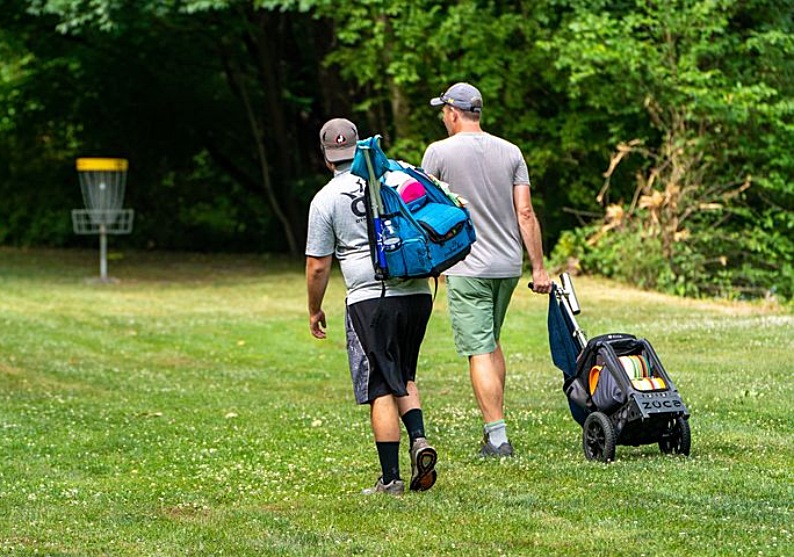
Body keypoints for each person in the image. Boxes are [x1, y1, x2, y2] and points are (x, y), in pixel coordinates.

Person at [306, 117, 438, 495]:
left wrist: (314, 309)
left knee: (380, 384)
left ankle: (391, 479)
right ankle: (418, 438)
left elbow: (318, 265)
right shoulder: (392, 177)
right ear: (360, 147)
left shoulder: (325, 199)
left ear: (327, 157)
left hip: (370, 300)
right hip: (416, 292)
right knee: (403, 373)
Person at [421, 83, 552, 457]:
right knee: (491, 342)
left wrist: (431, 262)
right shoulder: (511, 152)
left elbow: (424, 210)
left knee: (478, 349)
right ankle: (494, 427)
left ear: (452, 113)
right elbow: (524, 212)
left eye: (443, 112)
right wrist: (538, 268)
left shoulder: (438, 153)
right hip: (507, 266)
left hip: (467, 266)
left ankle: (497, 438)